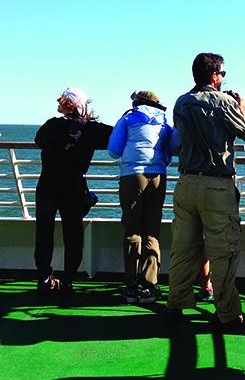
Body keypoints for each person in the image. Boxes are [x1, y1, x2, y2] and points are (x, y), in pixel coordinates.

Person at [165, 53, 245, 326]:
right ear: (215, 76)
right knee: (223, 251)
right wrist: (242, 107)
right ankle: (227, 312)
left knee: (183, 247)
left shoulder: (181, 103)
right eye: (222, 74)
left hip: (186, 183)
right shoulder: (225, 103)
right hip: (217, 186)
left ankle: (177, 301)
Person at [34, 87, 113, 293]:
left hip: (47, 186)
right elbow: (114, 137)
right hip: (73, 188)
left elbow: (38, 140)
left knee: (44, 233)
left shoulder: (51, 125)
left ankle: (44, 278)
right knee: (73, 235)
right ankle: (68, 280)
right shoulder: (91, 129)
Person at [107, 90, 177, 303]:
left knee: (132, 230)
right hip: (157, 177)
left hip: (132, 176)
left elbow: (113, 151)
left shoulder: (128, 119)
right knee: (152, 231)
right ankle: (150, 286)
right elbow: (174, 147)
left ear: (137, 102)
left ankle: (130, 287)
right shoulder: (165, 122)